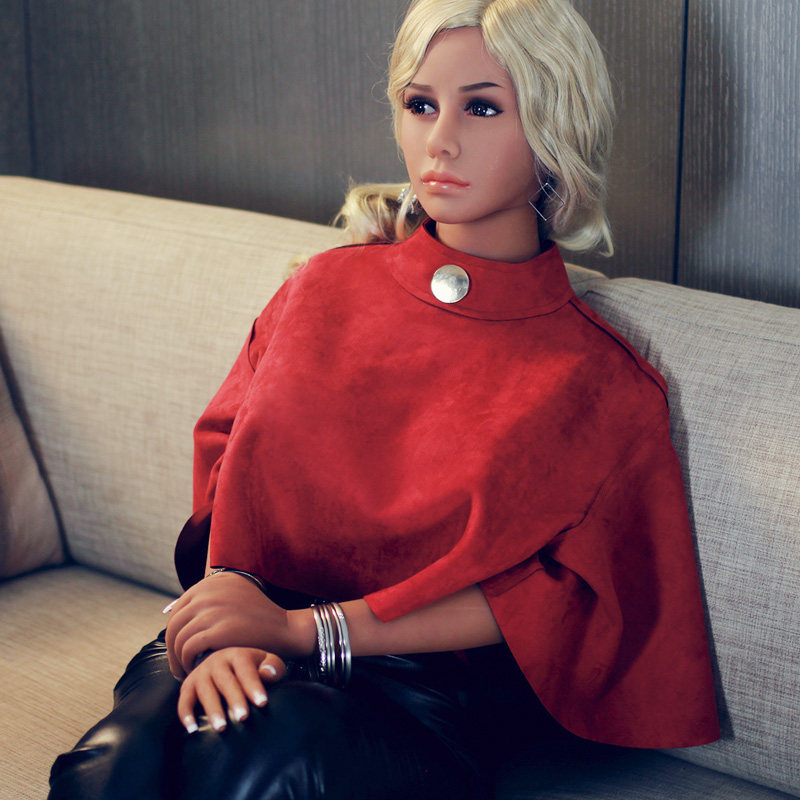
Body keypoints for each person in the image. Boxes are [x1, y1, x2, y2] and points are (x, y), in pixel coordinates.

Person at [49, 0, 720, 798]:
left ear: (556, 127)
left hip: (419, 697)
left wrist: (301, 633)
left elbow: (561, 601)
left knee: (264, 763)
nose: (441, 141)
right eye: (420, 104)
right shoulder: (320, 290)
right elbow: (230, 461)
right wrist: (233, 607)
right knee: (108, 773)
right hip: (241, 626)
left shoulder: (602, 382)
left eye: (482, 108)